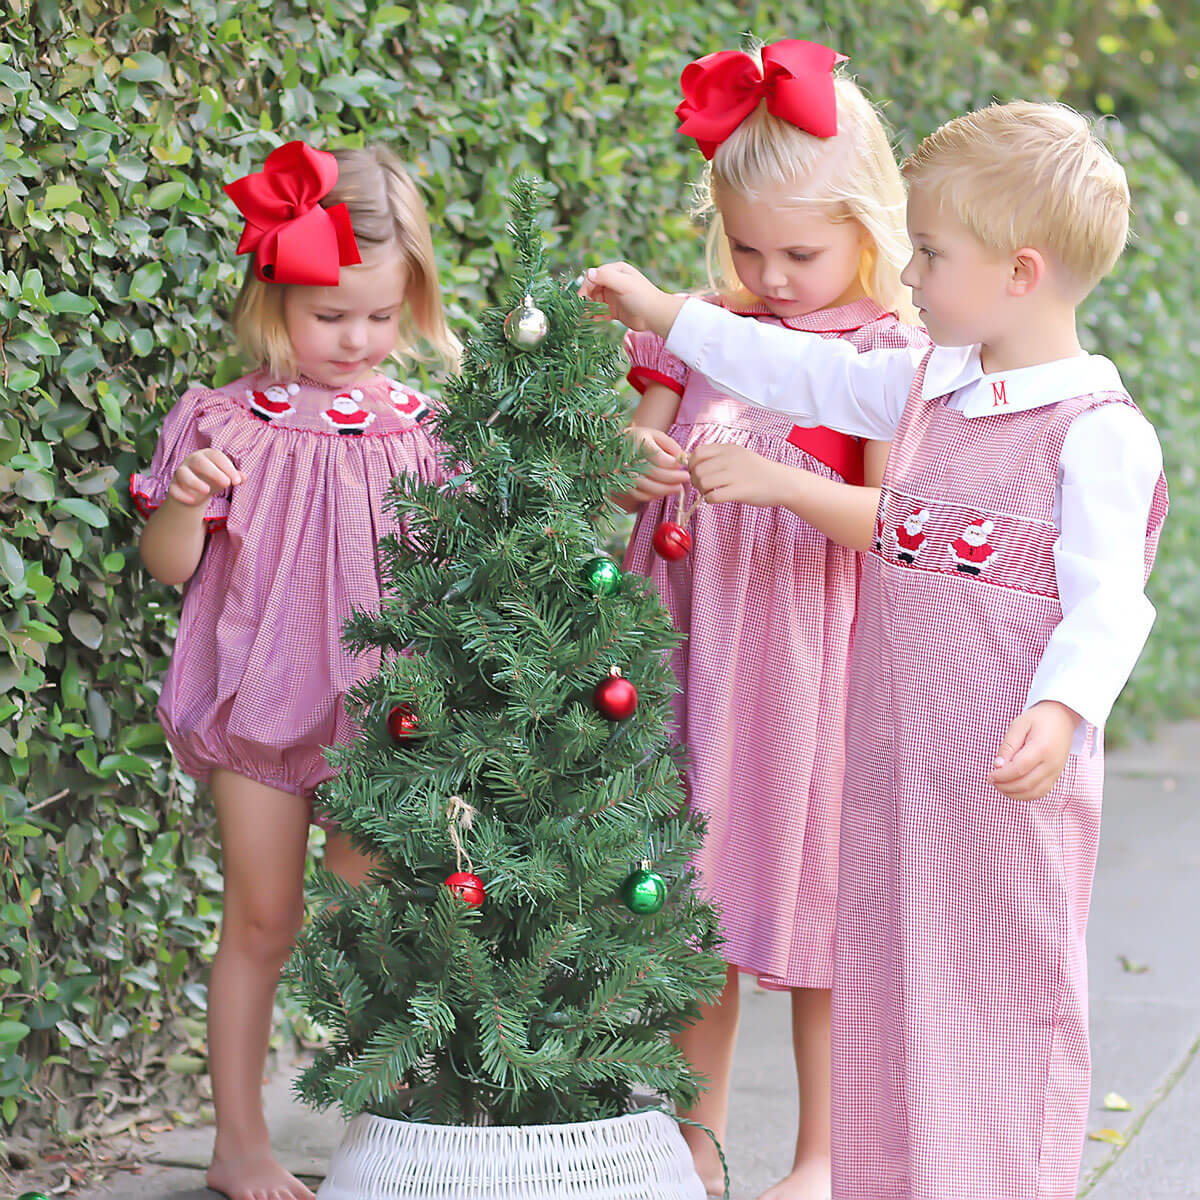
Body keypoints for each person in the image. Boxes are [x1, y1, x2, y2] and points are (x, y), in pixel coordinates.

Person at [583, 100, 1168, 1200]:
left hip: (1004, 784)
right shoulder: (933, 384)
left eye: (933, 256)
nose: (912, 275)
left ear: (1019, 273)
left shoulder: (1097, 431)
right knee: (890, 995)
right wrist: (668, 311)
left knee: (993, 1002)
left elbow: (1109, 604)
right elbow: (791, 370)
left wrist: (1064, 707)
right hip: (896, 776)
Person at [610, 40, 927, 1200]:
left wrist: (788, 486)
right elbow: (630, 446)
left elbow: (897, 519)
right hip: (691, 653)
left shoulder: (889, 352)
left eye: (802, 250)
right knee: (697, 904)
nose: (774, 275)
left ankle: (823, 1155)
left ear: (871, 229)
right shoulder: (698, 326)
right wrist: (635, 462)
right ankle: (695, 1141)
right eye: (747, 247)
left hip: (812, 669)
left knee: (821, 911)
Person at [131, 141, 457, 1200]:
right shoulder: (225, 423)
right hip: (257, 717)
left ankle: (388, 1138)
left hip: (383, 723)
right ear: (274, 300)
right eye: (330, 318)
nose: (356, 339)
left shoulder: (425, 431)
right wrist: (183, 499)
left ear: (412, 301)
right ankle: (239, 1144)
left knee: (376, 927)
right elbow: (169, 568)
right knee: (262, 921)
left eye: (378, 314)